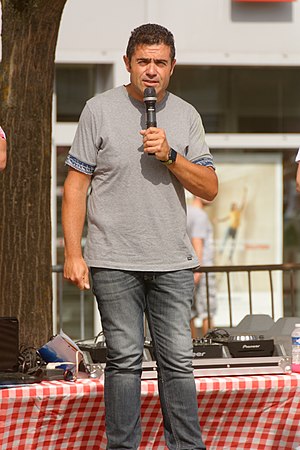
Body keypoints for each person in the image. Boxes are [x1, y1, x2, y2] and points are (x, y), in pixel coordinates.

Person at [62, 23, 218, 449]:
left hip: (172, 261)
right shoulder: (98, 109)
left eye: (160, 63)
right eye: (144, 61)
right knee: (125, 362)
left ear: (172, 67)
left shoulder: (187, 115)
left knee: (178, 364)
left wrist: (170, 154)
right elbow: (75, 186)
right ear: (127, 62)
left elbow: (208, 187)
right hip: (113, 259)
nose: (151, 70)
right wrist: (73, 253)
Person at [187, 196, 216, 338]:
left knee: (189, 312)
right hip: (202, 269)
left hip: (190, 268)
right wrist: (198, 269)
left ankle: (191, 347)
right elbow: (197, 241)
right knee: (207, 310)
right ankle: (212, 348)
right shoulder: (200, 215)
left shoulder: (187, 212)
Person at [218, 186, 247, 264]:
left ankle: (230, 257)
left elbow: (243, 204)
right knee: (225, 239)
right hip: (230, 228)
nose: (236, 206)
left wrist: (245, 193)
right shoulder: (231, 213)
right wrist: (218, 220)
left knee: (233, 244)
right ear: (233, 207)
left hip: (235, 229)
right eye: (235, 205)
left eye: (236, 205)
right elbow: (225, 218)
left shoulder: (238, 212)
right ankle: (221, 251)